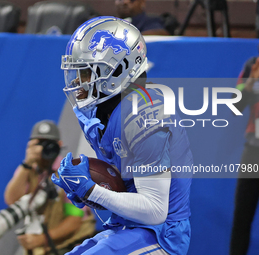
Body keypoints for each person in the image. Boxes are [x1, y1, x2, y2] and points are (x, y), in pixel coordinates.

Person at [52, 16, 193, 255]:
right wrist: (87, 189)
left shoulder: (145, 113)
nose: (77, 81)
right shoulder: (101, 112)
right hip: (127, 226)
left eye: (86, 71)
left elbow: (156, 210)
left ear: (118, 70)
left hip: (161, 234)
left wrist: (91, 190)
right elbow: (123, 187)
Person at [4, 120, 95, 255]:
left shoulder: (69, 171)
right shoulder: (28, 170)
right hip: (43, 245)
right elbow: (12, 200)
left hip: (71, 244)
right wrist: (27, 163)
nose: (44, 148)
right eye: (39, 144)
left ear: (59, 145)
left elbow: (75, 218)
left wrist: (42, 239)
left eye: (49, 144)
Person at [230, 17, 259, 255]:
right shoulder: (254, 64)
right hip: (255, 151)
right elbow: (234, 106)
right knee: (241, 218)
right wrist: (251, 82)